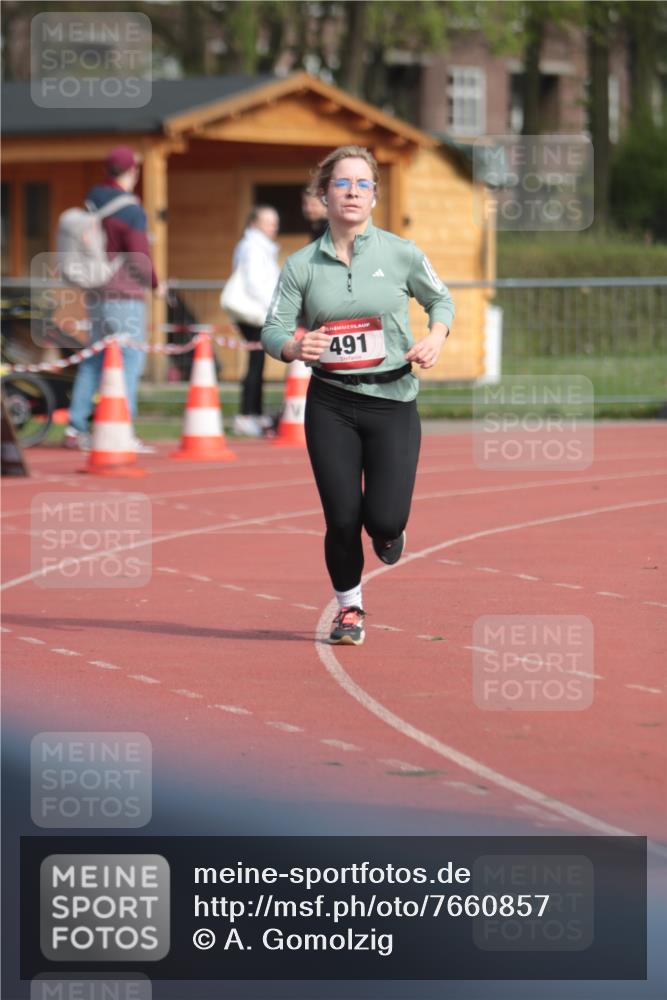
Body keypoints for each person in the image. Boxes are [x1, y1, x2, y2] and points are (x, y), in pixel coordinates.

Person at [262, 145, 454, 646]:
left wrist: (435, 336)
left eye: (362, 184)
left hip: (392, 400)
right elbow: (273, 329)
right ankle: (350, 609)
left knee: (384, 518)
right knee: (342, 517)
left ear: (374, 196)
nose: (351, 191)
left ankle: (389, 533)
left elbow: (441, 298)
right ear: (323, 194)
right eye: (341, 183)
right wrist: (295, 346)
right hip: (330, 403)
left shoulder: (401, 253)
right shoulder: (301, 264)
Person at [64, 146, 165, 453]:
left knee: (94, 359)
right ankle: (122, 430)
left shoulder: (93, 199)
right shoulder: (130, 209)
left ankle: (75, 427)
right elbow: (138, 254)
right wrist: (156, 284)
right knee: (131, 359)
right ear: (132, 171)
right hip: (124, 292)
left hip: (96, 290)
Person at [229, 206, 280, 437]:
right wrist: (272, 308)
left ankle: (255, 412)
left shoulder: (263, 248)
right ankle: (247, 414)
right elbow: (254, 283)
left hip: (260, 312)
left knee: (258, 362)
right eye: (268, 222)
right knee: (255, 362)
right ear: (254, 223)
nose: (273, 227)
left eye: (275, 222)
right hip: (255, 313)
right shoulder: (252, 247)